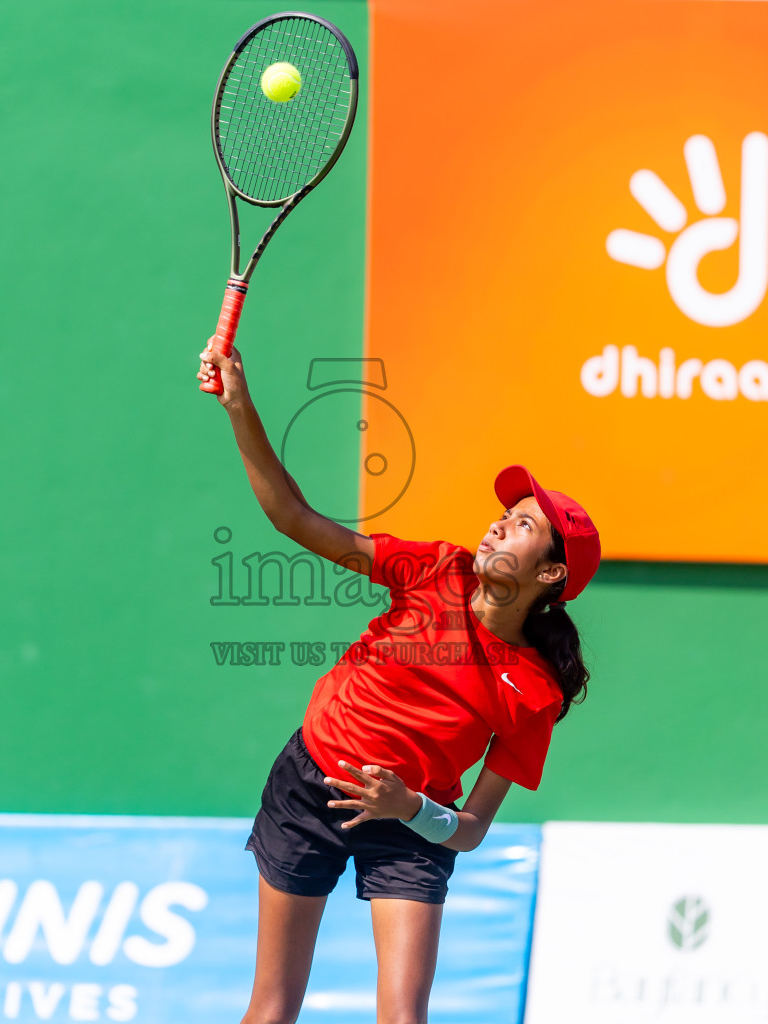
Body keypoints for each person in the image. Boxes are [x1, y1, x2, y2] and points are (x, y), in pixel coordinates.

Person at [196, 340, 600, 1024]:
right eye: (507, 512)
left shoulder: (535, 692)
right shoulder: (435, 570)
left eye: (525, 524)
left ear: (551, 575)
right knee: (271, 1011)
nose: (502, 521)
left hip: (412, 825)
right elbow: (295, 519)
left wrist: (407, 805)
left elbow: (469, 829)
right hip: (312, 785)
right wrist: (240, 405)